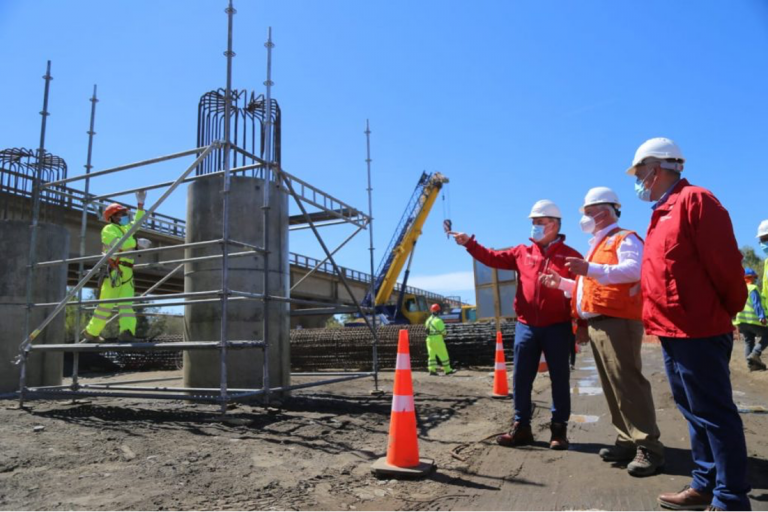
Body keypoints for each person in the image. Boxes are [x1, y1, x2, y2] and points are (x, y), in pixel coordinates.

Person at [627, 138, 750, 511]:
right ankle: (705, 484)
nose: (638, 181)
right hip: (672, 330)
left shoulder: (696, 201)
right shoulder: (663, 212)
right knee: (694, 412)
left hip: (699, 330)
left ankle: (730, 499)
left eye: (639, 173)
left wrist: (720, 313)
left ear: (655, 168)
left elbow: (726, 268)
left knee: (714, 414)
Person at [540, 187, 664, 477]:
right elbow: (590, 285)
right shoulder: (598, 245)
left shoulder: (625, 238)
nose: (583, 217)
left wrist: (589, 268)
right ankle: (627, 439)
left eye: (586, 211)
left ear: (603, 211)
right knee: (613, 387)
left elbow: (635, 270)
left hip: (618, 321)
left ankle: (649, 447)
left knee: (628, 384)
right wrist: (561, 283)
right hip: (601, 322)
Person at [450, 199, 583, 450]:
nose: (534, 227)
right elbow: (491, 258)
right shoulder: (522, 252)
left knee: (560, 378)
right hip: (526, 326)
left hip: (559, 326)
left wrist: (583, 324)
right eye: (533, 223)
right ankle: (521, 427)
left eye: (539, 222)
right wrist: (470, 243)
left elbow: (583, 291)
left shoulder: (571, 257)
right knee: (521, 378)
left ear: (554, 225)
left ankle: (559, 431)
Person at [84, 190, 148, 343]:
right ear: (112, 217)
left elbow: (137, 223)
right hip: (115, 271)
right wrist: (136, 244)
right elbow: (118, 245)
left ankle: (126, 333)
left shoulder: (126, 229)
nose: (125, 217)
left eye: (124, 214)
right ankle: (91, 332)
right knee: (106, 305)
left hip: (127, 272)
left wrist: (140, 205)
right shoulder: (108, 230)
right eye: (121, 214)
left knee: (127, 306)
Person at [734, 268, 768, 371]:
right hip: (753, 320)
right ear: (751, 278)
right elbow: (756, 303)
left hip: (741, 321)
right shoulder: (752, 288)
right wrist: (762, 316)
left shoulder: (738, 289)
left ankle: (751, 365)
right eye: (755, 277)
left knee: (749, 342)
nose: (755, 279)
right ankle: (755, 353)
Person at [425, 304, 455, 376]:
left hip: (429, 339)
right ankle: (448, 370)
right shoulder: (438, 320)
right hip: (437, 339)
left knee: (431, 355)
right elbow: (443, 332)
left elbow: (426, 330)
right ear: (438, 311)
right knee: (443, 354)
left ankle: (432, 370)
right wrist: (444, 334)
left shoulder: (428, 320)